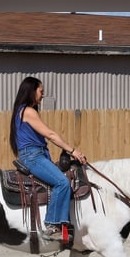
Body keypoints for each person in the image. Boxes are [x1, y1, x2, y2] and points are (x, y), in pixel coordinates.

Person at [8, 76, 87, 242]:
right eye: (41, 91)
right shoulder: (28, 111)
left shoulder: (20, 111)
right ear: (31, 91)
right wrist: (73, 151)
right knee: (62, 182)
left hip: (35, 154)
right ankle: (52, 226)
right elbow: (50, 135)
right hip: (33, 156)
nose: (42, 95)